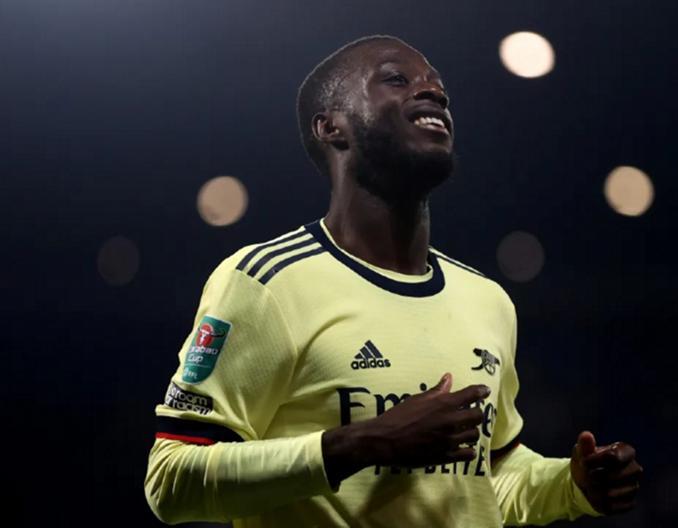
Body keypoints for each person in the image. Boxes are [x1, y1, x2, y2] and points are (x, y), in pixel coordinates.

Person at [144, 34, 642, 527]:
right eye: (397, 80)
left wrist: (571, 486)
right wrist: (363, 443)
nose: (434, 92)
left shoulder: (488, 300)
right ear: (331, 127)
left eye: (437, 85)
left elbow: (489, 474)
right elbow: (172, 480)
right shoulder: (267, 283)